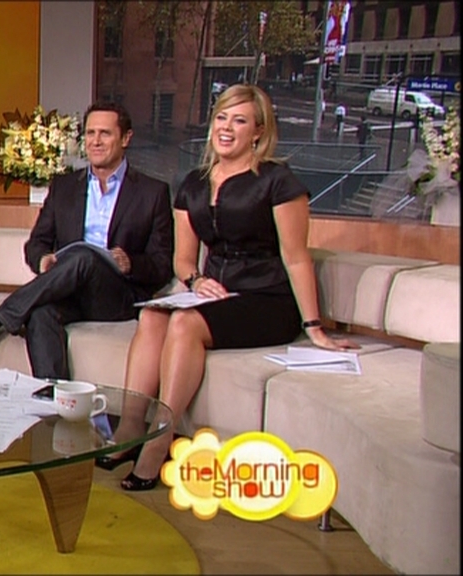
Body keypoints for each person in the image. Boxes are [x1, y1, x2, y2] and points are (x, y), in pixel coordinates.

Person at [104, 84, 357, 491]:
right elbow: (183, 261)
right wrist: (197, 280)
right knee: (152, 314)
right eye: (221, 117)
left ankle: (161, 439)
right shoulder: (193, 183)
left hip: (267, 299)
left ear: (258, 131)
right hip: (215, 296)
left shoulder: (278, 181)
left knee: (184, 323)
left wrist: (314, 327)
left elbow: (296, 257)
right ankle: (130, 427)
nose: (226, 127)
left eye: (239, 120)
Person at [0, 101, 174, 380]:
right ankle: (51, 397)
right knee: (41, 313)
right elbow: (37, 243)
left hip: (118, 295)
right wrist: (43, 259)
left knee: (84, 257)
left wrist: (131, 263)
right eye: (90, 133)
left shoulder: (152, 193)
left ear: (126, 138)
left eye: (105, 133)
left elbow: (162, 265)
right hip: (71, 290)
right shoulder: (64, 187)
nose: (95, 141)